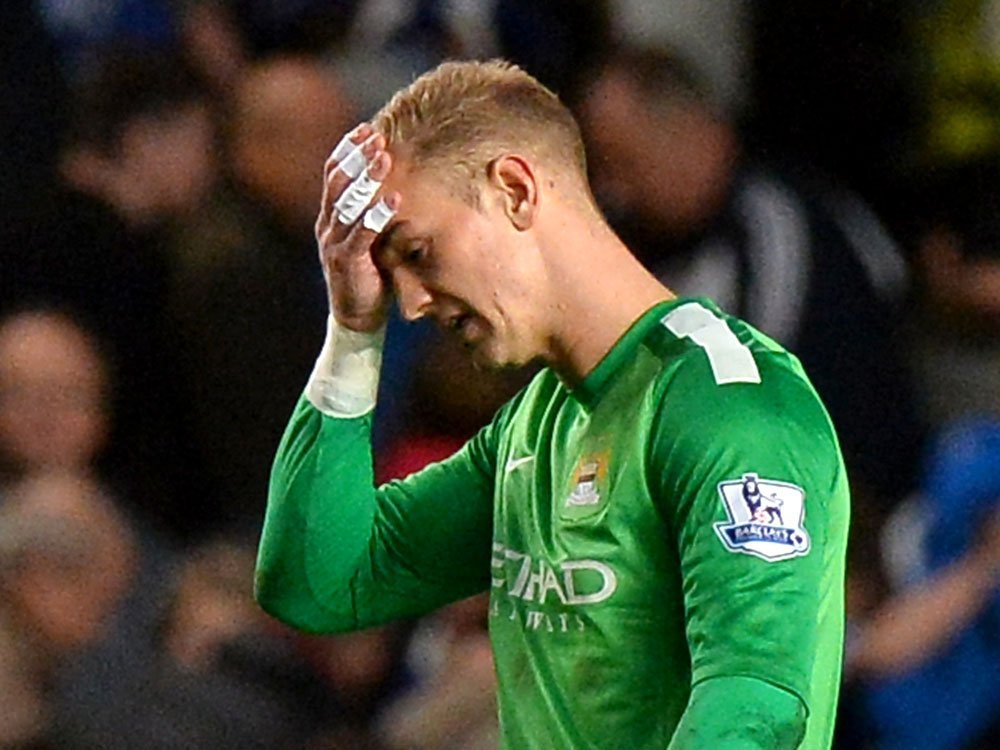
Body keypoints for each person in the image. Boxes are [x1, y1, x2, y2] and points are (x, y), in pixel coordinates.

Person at [255, 59, 850, 749]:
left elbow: (756, 706)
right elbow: (317, 582)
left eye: (419, 252)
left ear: (513, 190)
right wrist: (354, 332)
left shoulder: (729, 402)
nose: (412, 303)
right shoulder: (534, 425)